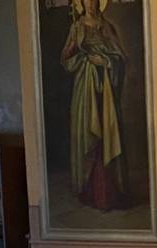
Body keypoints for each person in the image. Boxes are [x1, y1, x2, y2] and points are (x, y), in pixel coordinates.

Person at [61, 0, 128, 211]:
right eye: (87, 0)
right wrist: (85, 59)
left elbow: (120, 58)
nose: (90, 4)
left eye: (94, 0)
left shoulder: (107, 27)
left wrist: (106, 61)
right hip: (85, 90)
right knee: (90, 135)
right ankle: (90, 191)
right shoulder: (77, 28)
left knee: (107, 134)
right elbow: (66, 58)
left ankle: (109, 194)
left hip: (106, 91)